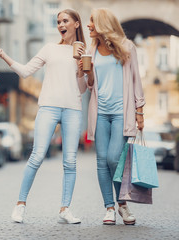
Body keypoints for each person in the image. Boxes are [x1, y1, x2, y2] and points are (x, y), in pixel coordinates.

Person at [0, 8, 87, 224]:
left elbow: (82, 89)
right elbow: (24, 71)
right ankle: (20, 205)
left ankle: (65, 209)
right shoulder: (50, 48)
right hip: (49, 108)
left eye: (65, 21)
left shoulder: (84, 52)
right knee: (37, 155)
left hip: (72, 110)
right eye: (58, 21)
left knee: (70, 162)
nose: (61, 25)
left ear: (76, 24)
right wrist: (3, 54)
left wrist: (81, 68)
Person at [83, 8, 145, 225]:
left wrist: (139, 110)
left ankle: (123, 204)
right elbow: (90, 86)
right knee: (101, 161)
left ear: (102, 24)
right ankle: (109, 207)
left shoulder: (127, 47)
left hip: (122, 113)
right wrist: (87, 71)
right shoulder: (92, 49)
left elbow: (136, 79)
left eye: (92, 22)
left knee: (113, 158)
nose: (88, 25)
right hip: (100, 113)